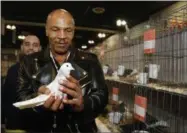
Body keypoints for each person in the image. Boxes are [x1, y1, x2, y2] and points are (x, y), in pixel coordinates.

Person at [17, 9, 108, 133]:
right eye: (55, 29)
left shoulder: (90, 61)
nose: (62, 36)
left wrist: (83, 104)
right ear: (47, 31)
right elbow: (21, 97)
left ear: (73, 31)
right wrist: (38, 102)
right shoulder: (29, 62)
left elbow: (101, 96)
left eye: (68, 30)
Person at [2, 35, 41, 132]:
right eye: (27, 44)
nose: (31, 48)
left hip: (39, 126)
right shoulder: (13, 70)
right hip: (16, 126)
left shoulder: (45, 71)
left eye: (35, 45)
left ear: (40, 49)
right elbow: (5, 97)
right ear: (22, 47)